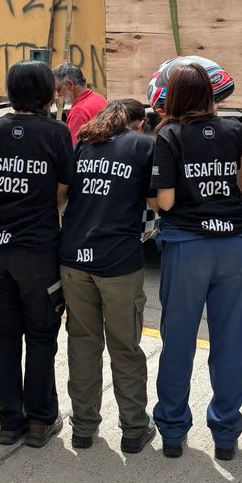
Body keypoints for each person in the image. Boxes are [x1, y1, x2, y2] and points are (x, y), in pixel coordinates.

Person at [151, 63, 242, 462]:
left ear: (173, 96)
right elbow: (240, 185)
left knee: (178, 342)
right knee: (230, 344)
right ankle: (226, 434)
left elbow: (166, 202)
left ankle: (174, 432)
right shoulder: (234, 131)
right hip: (235, 245)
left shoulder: (169, 136)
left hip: (188, 247)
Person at [0, 61, 74, 448]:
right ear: (47, 93)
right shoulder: (56, 133)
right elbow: (62, 192)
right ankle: (39, 420)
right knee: (40, 335)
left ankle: (9, 422)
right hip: (36, 252)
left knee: (1, 336)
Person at [59, 98, 157, 454]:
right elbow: (157, 203)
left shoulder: (83, 143)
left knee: (83, 345)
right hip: (118, 262)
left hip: (73, 258)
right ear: (135, 123)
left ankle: (83, 429)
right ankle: (133, 430)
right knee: (125, 348)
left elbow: (63, 197)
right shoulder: (142, 146)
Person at [54, 63, 107, 144]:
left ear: (70, 85)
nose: (58, 95)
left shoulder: (78, 112)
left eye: (59, 89)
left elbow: (74, 150)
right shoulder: (100, 98)